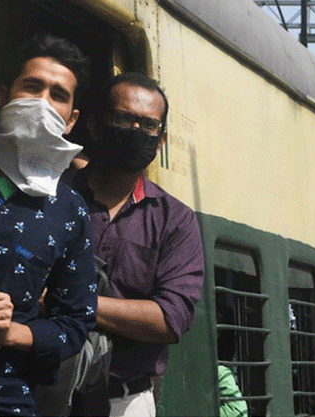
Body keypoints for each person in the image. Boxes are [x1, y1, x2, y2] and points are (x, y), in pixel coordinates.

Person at [69, 72, 205, 416]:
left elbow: (171, 318)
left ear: (161, 141)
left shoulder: (175, 220)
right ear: (95, 125)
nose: (135, 131)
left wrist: (73, 303)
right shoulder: (56, 195)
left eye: (148, 125)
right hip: (44, 392)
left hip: (126, 402)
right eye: (122, 119)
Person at [0, 34, 96, 416]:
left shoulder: (69, 210)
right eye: (31, 87)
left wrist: (14, 332)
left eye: (57, 95)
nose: (42, 102)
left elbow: (77, 322)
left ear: (71, 120)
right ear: (4, 96)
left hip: (8, 399)